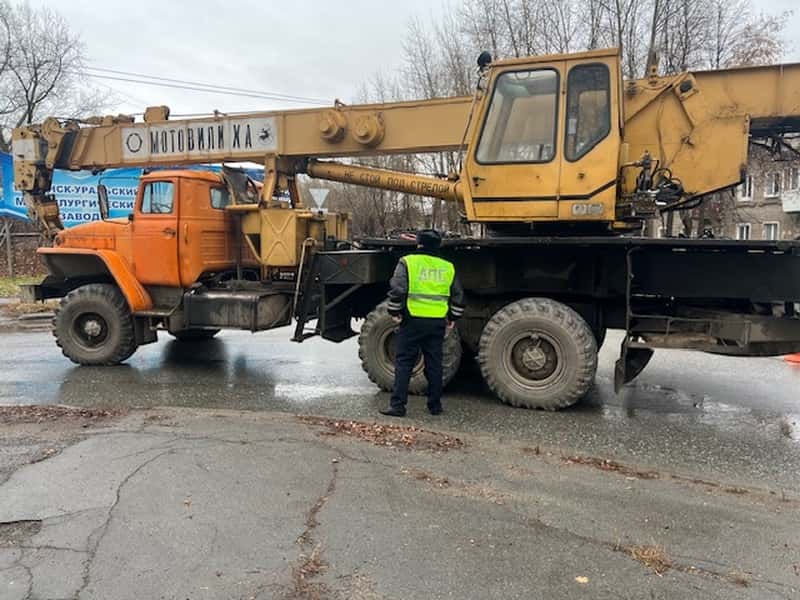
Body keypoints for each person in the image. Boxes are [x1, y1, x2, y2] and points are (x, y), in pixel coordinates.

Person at [380, 229, 465, 417]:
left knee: (404, 363)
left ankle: (398, 406)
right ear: (438, 245)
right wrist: (451, 318)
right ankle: (434, 406)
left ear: (419, 244)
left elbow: (398, 289)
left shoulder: (408, 262)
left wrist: (395, 311)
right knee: (434, 364)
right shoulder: (447, 266)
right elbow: (458, 297)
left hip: (412, 320)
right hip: (436, 323)